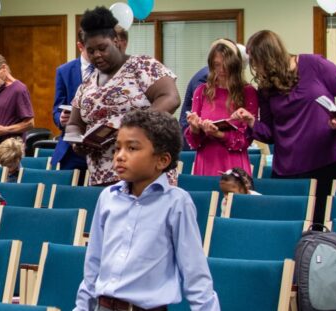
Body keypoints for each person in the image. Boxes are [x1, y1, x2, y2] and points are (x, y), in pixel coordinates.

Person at [75, 110, 218, 311]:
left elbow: (194, 272)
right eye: (117, 148)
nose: (120, 156)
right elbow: (93, 263)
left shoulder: (176, 203)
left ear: (162, 160)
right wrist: (82, 307)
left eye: (132, 148)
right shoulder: (108, 197)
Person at [231, 30, 336, 221]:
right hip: (288, 166)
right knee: (289, 222)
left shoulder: (314, 64)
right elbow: (269, 133)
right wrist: (250, 121)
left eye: (258, 62)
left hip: (325, 159)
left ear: (270, 57)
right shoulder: (266, 88)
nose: (256, 68)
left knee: (324, 220)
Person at [65, 7, 180, 186]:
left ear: (116, 41)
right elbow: (74, 123)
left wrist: (132, 128)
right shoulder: (87, 82)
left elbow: (170, 98)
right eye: (91, 51)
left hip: (144, 175)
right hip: (102, 177)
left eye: (102, 48)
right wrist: (77, 141)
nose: (97, 55)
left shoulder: (141, 66)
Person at [185, 39, 258, 176]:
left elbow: (246, 139)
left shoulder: (248, 92)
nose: (222, 70)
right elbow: (194, 143)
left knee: (233, 197)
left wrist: (218, 134)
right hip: (206, 161)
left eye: (226, 65)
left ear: (235, 65)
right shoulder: (201, 91)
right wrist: (194, 128)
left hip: (233, 162)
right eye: (217, 65)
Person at [0, 53, 34, 158]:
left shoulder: (19, 89)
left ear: (3, 68)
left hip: (9, 153)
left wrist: (5, 129)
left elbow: (30, 124)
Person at [51, 35, 91, 172]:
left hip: (100, 149)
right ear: (80, 46)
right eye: (91, 49)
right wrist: (61, 119)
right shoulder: (64, 71)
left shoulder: (107, 69)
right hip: (71, 149)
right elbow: (56, 109)